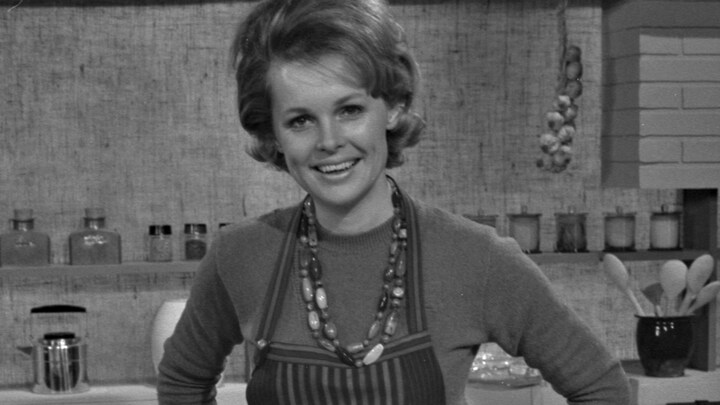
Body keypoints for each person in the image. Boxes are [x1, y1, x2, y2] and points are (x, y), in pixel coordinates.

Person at [157, 0, 631, 404]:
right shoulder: (240, 255)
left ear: (394, 107)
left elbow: (602, 389)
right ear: (274, 135)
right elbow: (182, 382)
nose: (329, 141)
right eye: (300, 120)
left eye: (350, 110)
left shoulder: (476, 257)